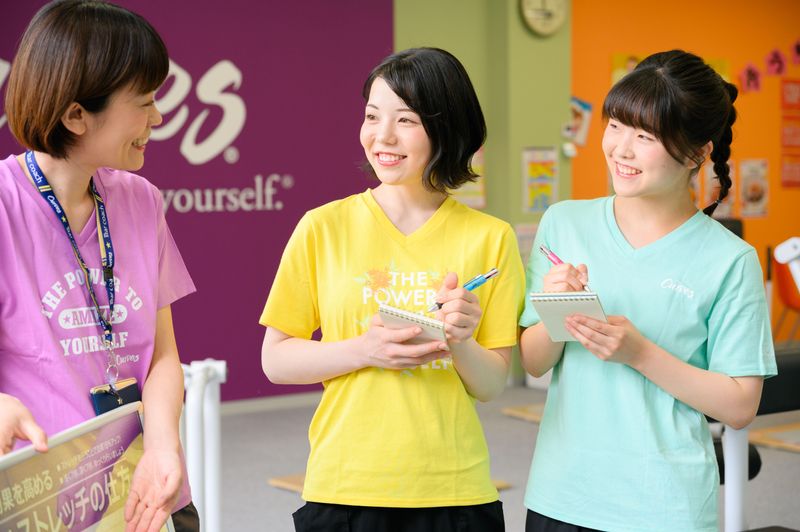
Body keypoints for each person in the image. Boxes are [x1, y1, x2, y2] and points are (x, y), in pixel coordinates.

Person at [260, 47, 524, 532]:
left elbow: (490, 386)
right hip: (344, 487)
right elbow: (275, 361)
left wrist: (460, 340)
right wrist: (366, 350)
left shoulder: (492, 238)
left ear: (447, 128)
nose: (382, 136)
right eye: (371, 116)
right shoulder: (323, 226)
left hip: (454, 491)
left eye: (406, 120)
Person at [519, 49, 777, 532]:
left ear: (697, 153)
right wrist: (557, 307)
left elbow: (740, 405)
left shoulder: (729, 260)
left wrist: (639, 354)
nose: (621, 149)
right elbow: (534, 361)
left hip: (666, 506)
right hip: (562, 495)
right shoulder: (564, 223)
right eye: (616, 125)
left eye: (646, 136)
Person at [0, 2, 198, 531]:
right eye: (144, 102)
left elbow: (162, 356)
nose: (157, 118)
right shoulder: (4, 206)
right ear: (75, 116)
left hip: (147, 495)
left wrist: (163, 447)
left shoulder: (142, 200)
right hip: (43, 505)